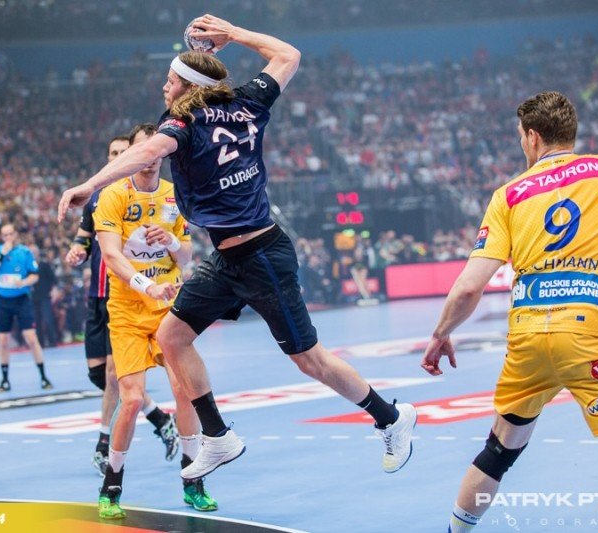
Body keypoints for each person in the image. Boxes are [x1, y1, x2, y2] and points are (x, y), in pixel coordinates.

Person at [58, 14, 417, 482]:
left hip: (262, 256)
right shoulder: (248, 101)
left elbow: (146, 152)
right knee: (172, 336)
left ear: (189, 87)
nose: (164, 87)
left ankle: (390, 417)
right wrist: (235, 35)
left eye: (170, 80)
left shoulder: (183, 122)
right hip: (229, 257)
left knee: (309, 360)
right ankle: (218, 436)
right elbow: (288, 55)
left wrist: (89, 184)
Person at [421, 91, 598, 533]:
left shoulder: (508, 195)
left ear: (532, 137)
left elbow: (469, 287)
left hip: (527, 340)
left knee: (499, 451)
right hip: (591, 336)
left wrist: (440, 334)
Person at [93, 123, 217, 519]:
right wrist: (148, 286)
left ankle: (192, 479)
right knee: (131, 400)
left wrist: (172, 242)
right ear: (132, 154)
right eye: (141, 151)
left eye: (155, 151)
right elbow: (111, 256)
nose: (149, 158)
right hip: (128, 311)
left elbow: (186, 255)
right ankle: (111, 485)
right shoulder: (113, 196)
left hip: (168, 310)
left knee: (185, 392)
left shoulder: (173, 195)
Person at [65, 133, 179, 475]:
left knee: (116, 375)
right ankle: (160, 418)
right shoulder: (98, 199)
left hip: (126, 297)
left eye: (123, 153)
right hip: (96, 296)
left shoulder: (138, 196)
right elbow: (83, 240)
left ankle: (104, 446)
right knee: (98, 374)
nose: (117, 158)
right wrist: (77, 251)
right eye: (112, 153)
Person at [0, 223, 52, 392]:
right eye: (5, 235)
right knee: (3, 341)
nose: (8, 237)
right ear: (2, 237)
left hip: (22, 300)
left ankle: (43, 377)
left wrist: (23, 282)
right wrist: (2, 254)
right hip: (3, 301)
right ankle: (4, 380)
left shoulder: (25, 252)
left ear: (15, 234)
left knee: (31, 338)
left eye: (10, 234)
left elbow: (34, 276)